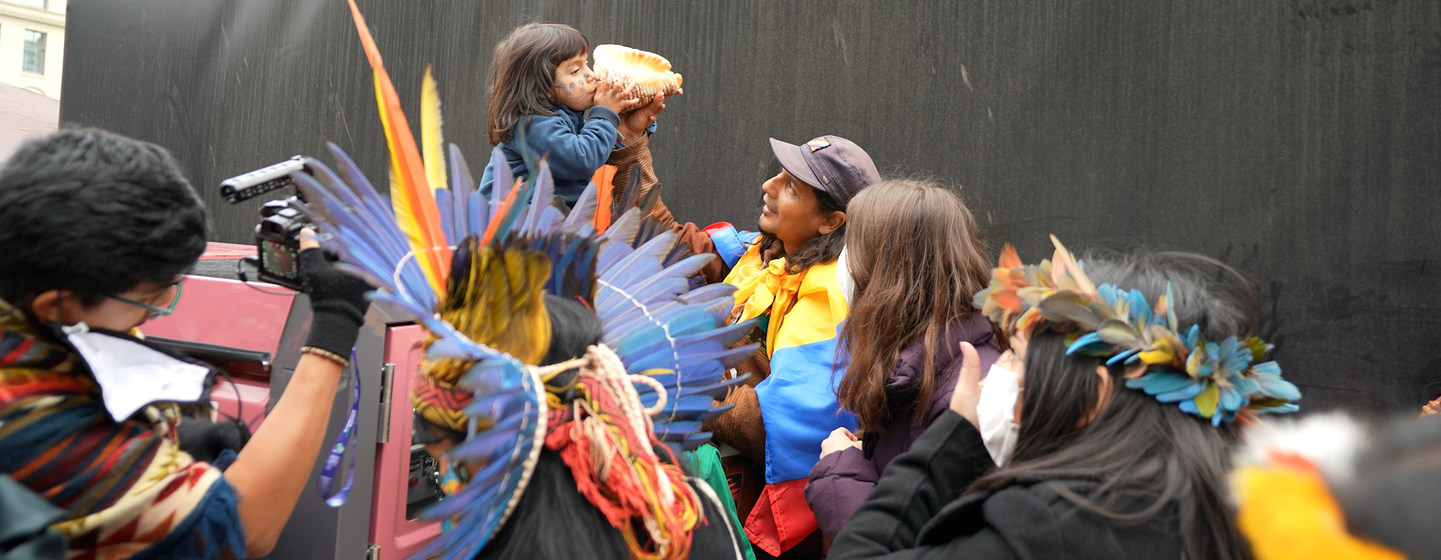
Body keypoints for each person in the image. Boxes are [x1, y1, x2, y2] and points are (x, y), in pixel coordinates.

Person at [0, 128, 372, 558]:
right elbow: (243, 528)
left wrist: (173, 440)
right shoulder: (35, 421)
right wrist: (334, 328)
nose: (159, 308)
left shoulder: (31, 312)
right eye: (147, 298)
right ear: (55, 306)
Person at [830, 240, 1302, 559]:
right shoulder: (1259, 511)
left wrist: (950, 441)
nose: (1003, 374)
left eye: (1017, 360)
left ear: (1094, 395)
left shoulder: (1045, 528)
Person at [704, 134, 880, 556]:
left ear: (831, 222)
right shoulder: (776, 255)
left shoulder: (827, 296)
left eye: (791, 187)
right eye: (780, 175)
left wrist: (684, 376)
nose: (768, 185)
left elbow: (778, 429)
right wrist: (630, 141)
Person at [804, 180, 1004, 541]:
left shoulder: (971, 397)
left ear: (890, 270)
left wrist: (840, 469)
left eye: (853, 247)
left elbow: (912, 546)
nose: (843, 264)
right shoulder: (916, 364)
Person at [477, 22, 658, 208]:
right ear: (542, 89)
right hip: (513, 229)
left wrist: (627, 125)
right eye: (576, 71)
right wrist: (605, 114)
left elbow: (601, 154)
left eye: (586, 64)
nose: (592, 76)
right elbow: (582, 160)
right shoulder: (530, 124)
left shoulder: (570, 120)